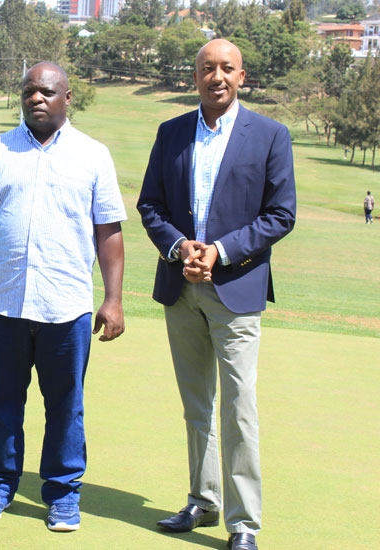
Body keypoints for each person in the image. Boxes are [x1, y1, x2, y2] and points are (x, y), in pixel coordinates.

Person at [0, 62, 127, 532]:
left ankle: (62, 493)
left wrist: (113, 299)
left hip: (66, 307)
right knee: (3, 401)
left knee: (66, 405)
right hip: (4, 304)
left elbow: (108, 231)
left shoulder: (93, 155)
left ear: (67, 98)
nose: (36, 98)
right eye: (28, 91)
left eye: (46, 91)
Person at [136, 39, 296, 550]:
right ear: (195, 76)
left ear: (241, 76)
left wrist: (220, 252)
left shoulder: (270, 135)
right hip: (181, 287)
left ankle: (243, 523)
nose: (217, 76)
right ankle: (201, 500)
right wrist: (181, 247)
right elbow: (150, 205)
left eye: (227, 68)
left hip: (236, 289)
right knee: (196, 406)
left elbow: (281, 214)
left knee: (238, 409)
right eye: (208, 68)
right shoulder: (171, 132)